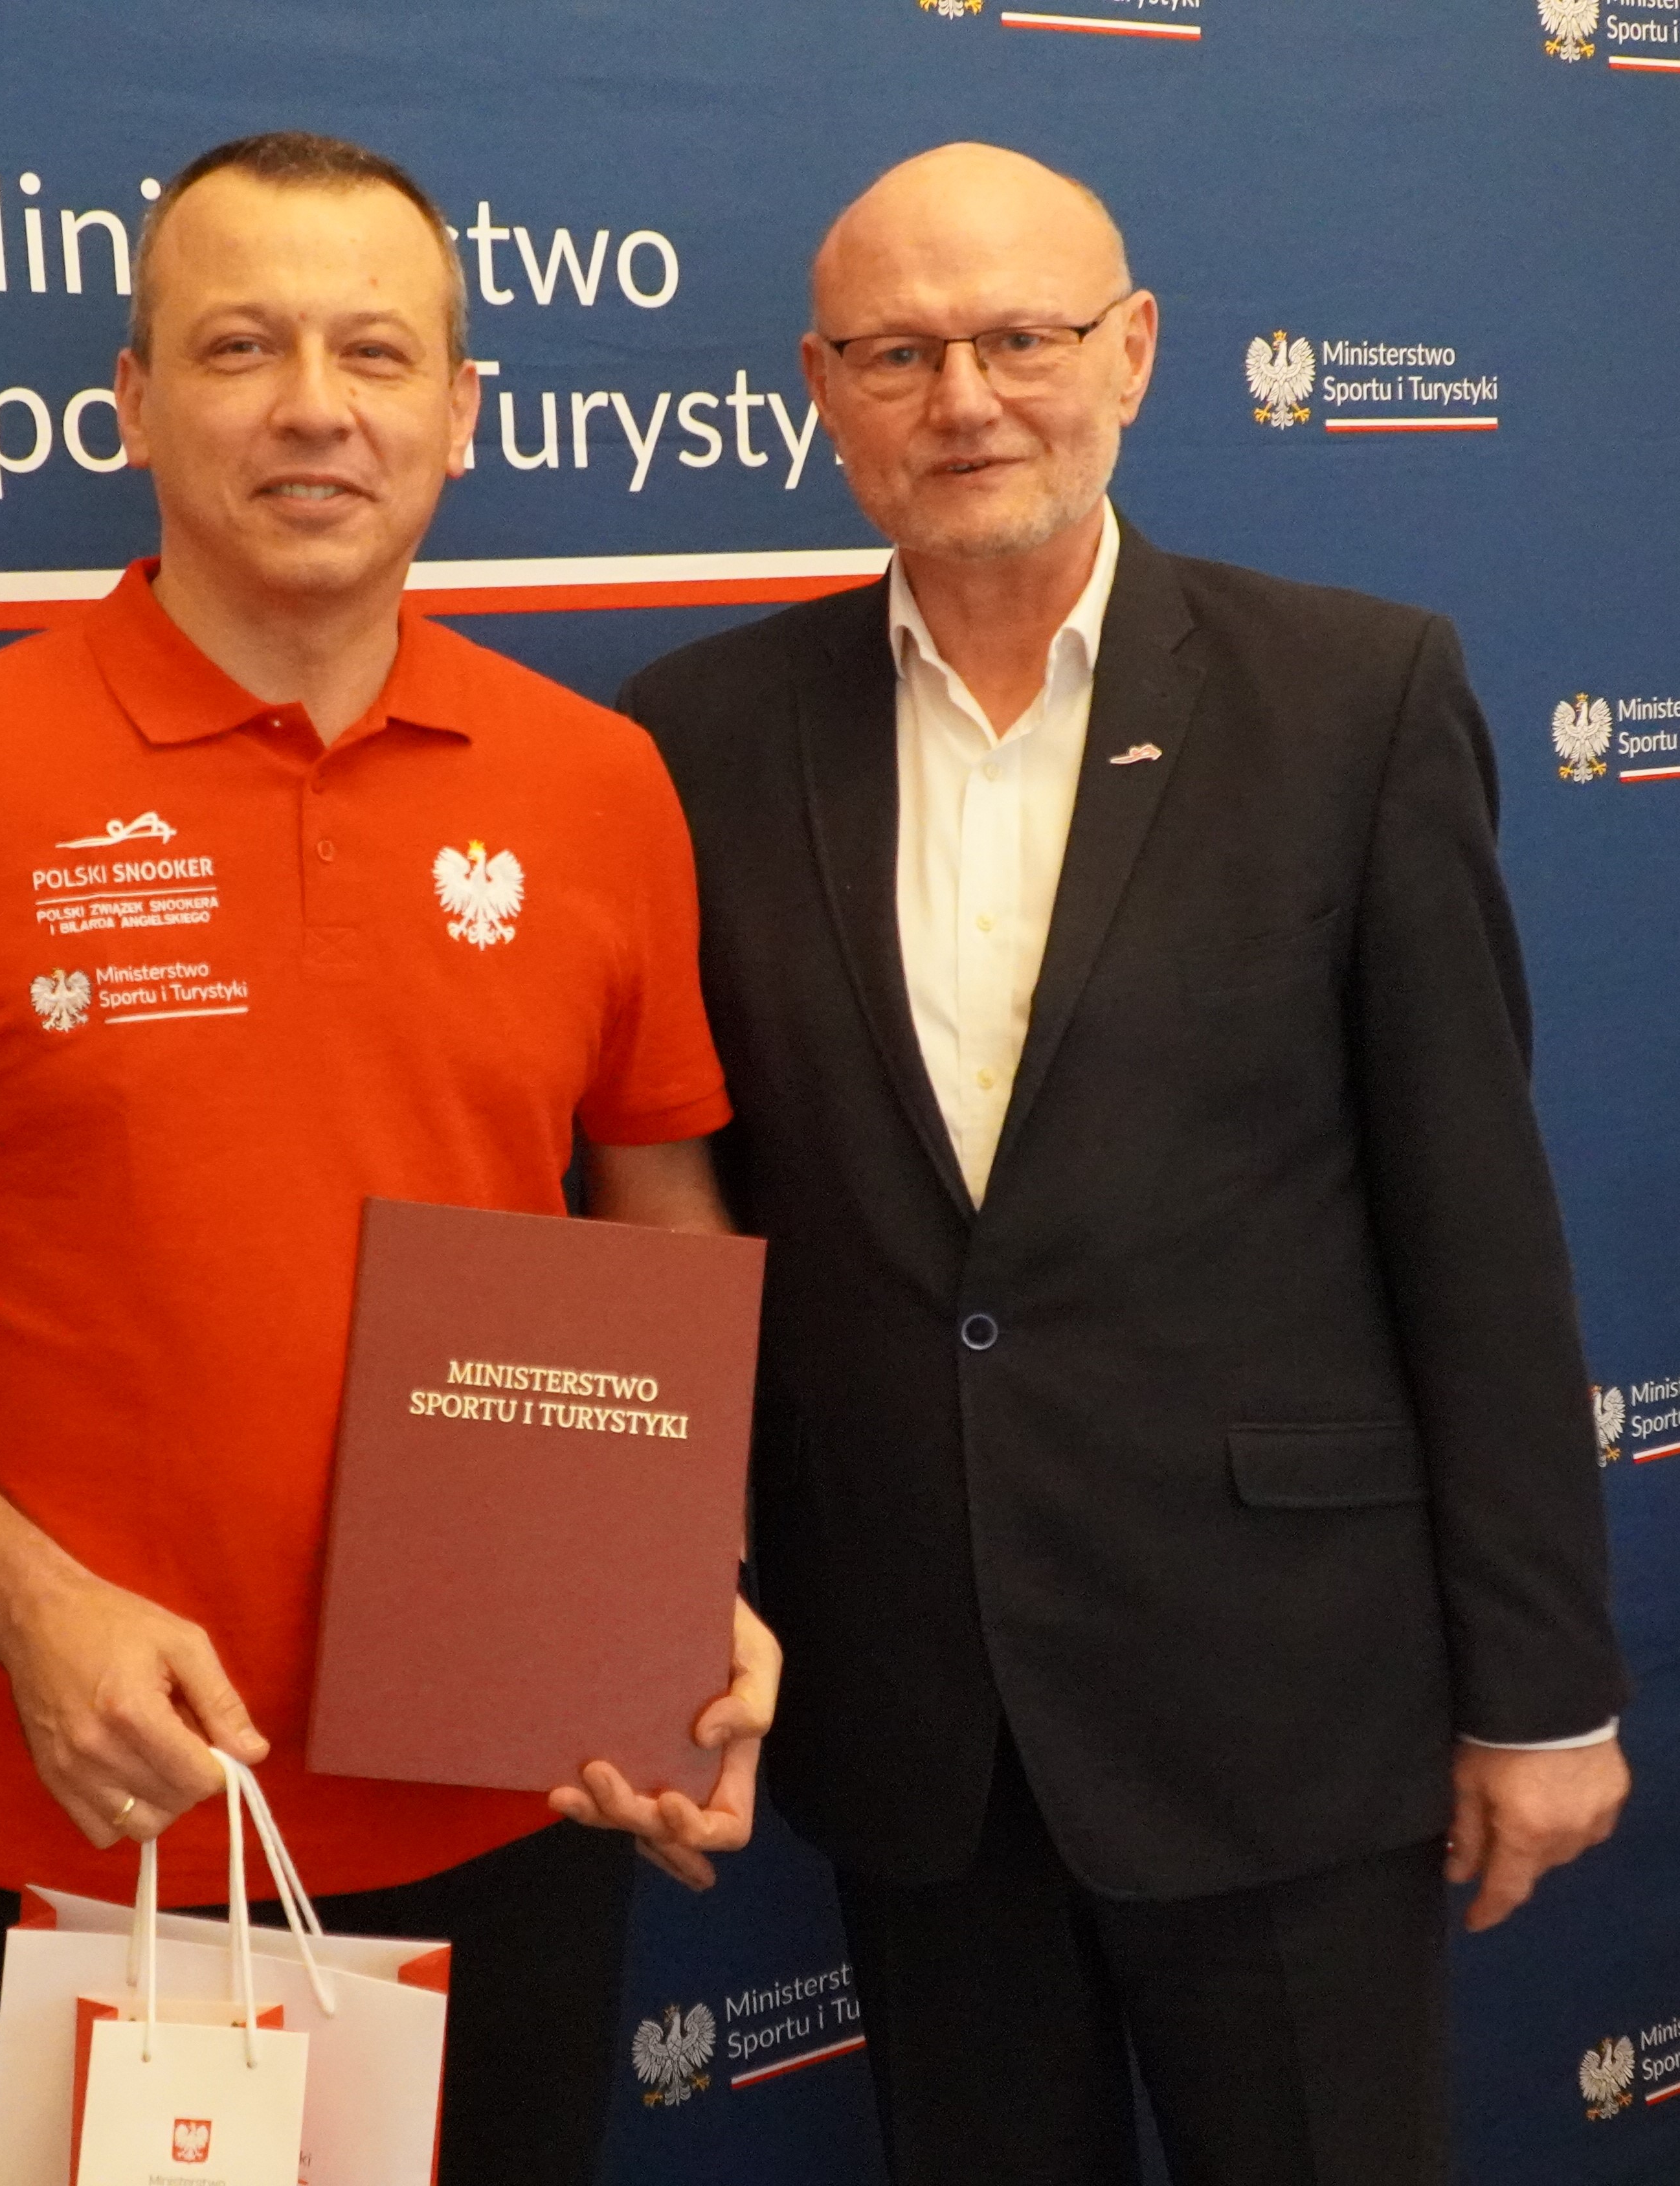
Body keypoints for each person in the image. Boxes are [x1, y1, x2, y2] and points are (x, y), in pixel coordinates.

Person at [0, 130, 776, 2184]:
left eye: (376, 350)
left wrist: (671, 1589)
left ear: (463, 411)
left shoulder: (602, 784)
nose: (314, 407)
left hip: (528, 1801)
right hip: (123, 1829)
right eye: (241, 347)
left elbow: (661, 1220)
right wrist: (25, 1602)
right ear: (134, 402)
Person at [618, 143, 1630, 2186]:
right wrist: (636, 1618)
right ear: (822, 390)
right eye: (898, 354)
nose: (964, 399)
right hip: (914, 1717)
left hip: (1283, 1702)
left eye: (1021, 337)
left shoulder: (1357, 697)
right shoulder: (697, 737)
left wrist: (1542, 1696)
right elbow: (668, 1213)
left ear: (1137, 352)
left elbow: (1475, 1229)